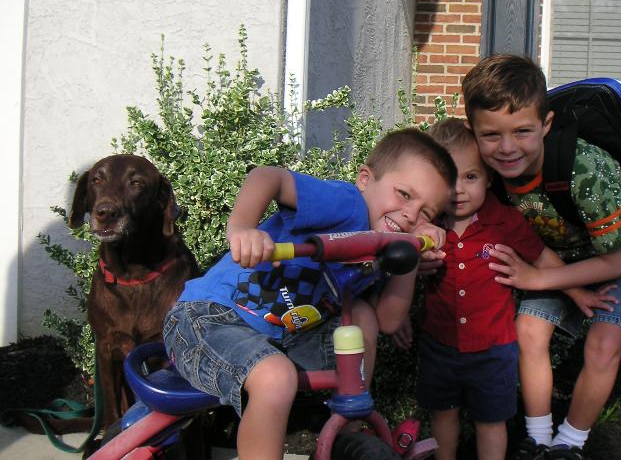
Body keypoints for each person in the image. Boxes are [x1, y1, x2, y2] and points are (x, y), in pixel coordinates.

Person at [162, 128, 456, 460]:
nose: (411, 215)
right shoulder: (349, 206)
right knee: (276, 377)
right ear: (364, 179)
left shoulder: (380, 251)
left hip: (279, 338)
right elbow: (267, 177)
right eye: (404, 194)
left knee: (362, 316)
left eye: (426, 213)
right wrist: (242, 228)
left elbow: (388, 320)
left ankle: (347, 430)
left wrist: (411, 254)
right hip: (209, 319)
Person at [461, 54, 621, 460]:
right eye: (491, 135)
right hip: (558, 255)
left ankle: (570, 443)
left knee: (603, 344)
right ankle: (537, 438)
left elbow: (617, 263)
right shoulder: (484, 169)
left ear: (546, 125)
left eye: (522, 131)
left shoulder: (582, 168)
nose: (507, 148)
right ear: (472, 132)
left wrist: (536, 279)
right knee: (529, 331)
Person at [398, 118, 616, 460]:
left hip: (493, 351)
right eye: (448, 178)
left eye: (471, 177)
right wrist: (399, 315)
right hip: (439, 346)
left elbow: (543, 258)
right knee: (442, 416)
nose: (458, 189)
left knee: (491, 422)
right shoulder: (425, 226)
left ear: (489, 177)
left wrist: (579, 292)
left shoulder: (505, 222)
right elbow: (402, 271)